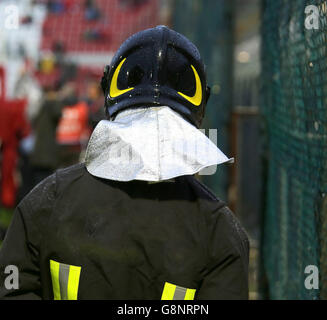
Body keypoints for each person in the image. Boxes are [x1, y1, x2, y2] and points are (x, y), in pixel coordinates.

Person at [0, 26, 249, 300]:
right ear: (200, 106)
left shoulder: (47, 200)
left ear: (111, 94)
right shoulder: (220, 232)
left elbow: (12, 288)